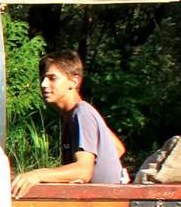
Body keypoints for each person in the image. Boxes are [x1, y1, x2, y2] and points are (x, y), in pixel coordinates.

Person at [12, 50, 127, 197]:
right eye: (42, 78)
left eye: (52, 78)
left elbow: (84, 171)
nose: (43, 84)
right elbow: (116, 148)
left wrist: (37, 175)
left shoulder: (82, 114)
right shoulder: (72, 115)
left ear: (74, 81)